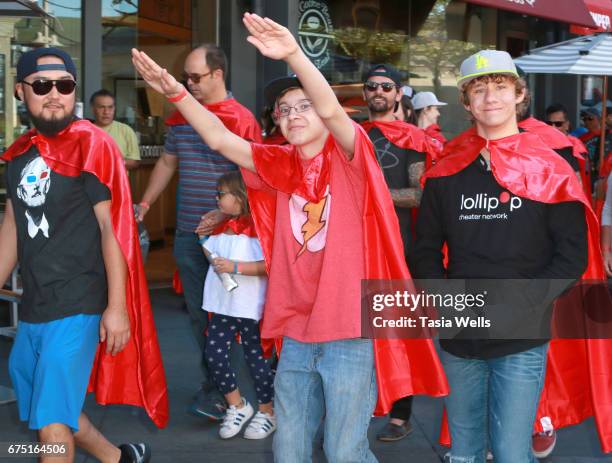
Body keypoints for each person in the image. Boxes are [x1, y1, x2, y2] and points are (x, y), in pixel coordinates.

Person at [132, 13, 448, 462]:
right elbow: (221, 139)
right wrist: (177, 93)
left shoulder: (350, 156)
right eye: (284, 110)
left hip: (349, 331)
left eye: (303, 106)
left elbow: (334, 113)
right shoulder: (279, 166)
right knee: (289, 449)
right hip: (296, 330)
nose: (293, 114)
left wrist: (295, 55)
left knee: (344, 451)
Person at [414, 50, 594, 462]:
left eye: (499, 86)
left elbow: (571, 256)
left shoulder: (551, 166)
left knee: (513, 453)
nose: (489, 97)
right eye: (478, 89)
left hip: (521, 334)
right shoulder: (447, 170)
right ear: (466, 102)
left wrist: (525, 302)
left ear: (518, 95)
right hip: (461, 333)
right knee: (463, 452)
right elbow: (424, 249)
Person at [1, 47, 167, 463]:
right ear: (21, 91)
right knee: (54, 410)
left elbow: (114, 232)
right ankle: (119, 458)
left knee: (52, 428)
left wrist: (116, 307)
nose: (54, 93)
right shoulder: (17, 154)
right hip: (38, 304)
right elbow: (11, 229)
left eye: (64, 85)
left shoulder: (93, 145)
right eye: (42, 85)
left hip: (79, 303)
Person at [135, 43, 261, 420]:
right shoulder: (179, 119)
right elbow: (168, 163)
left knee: (232, 316)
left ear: (218, 74)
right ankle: (219, 387)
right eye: (185, 77)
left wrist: (224, 216)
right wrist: (144, 203)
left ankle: (233, 394)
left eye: (195, 77)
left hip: (231, 238)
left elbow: (253, 179)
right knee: (200, 315)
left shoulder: (241, 119)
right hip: (191, 237)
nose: (188, 83)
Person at [359, 64, 438, 443]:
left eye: (385, 86)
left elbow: (419, 192)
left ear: (398, 94)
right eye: (371, 86)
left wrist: (377, 195)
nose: (378, 91)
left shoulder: (412, 139)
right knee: (355, 331)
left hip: (397, 250)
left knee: (398, 332)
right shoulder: (351, 135)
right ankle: (357, 407)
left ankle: (400, 413)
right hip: (354, 247)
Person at [201, 171, 276, 440]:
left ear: (241, 196)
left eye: (222, 194)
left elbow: (270, 265)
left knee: (257, 361)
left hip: (250, 307)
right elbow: (211, 251)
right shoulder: (221, 226)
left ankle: (267, 412)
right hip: (223, 305)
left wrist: (234, 267)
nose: (217, 199)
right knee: (215, 354)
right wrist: (206, 245)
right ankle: (237, 405)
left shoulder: (260, 226)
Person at [90, 89, 141, 171]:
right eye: (101, 107)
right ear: (93, 109)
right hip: (88, 182)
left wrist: (113, 162)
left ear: (114, 108)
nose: (106, 112)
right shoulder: (84, 131)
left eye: (110, 107)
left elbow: (134, 162)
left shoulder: (126, 130)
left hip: (118, 182)